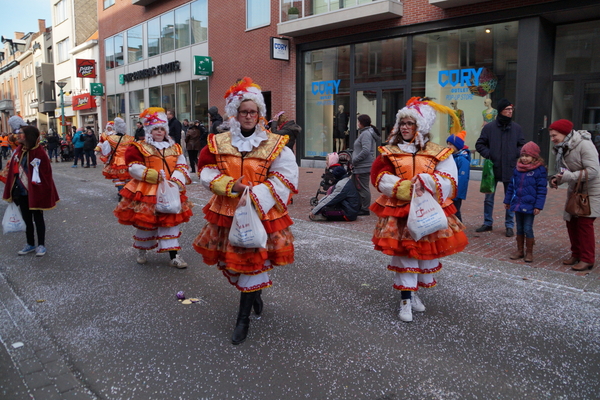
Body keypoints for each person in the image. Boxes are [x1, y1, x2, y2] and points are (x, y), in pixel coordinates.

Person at [193, 77, 298, 345]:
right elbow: (205, 170)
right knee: (235, 266)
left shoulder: (275, 144)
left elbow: (286, 177)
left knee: (252, 265)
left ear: (260, 114)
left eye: (253, 111)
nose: (249, 116)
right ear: (236, 114)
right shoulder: (218, 142)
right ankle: (255, 293)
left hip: (261, 213)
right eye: (244, 111)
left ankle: (243, 319)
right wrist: (230, 186)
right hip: (227, 212)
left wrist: (256, 194)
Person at [370, 97, 468, 323]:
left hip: (427, 210)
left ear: (420, 126)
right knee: (405, 254)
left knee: (421, 254)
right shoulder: (390, 150)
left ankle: (412, 294)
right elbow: (378, 176)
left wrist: (426, 181)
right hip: (399, 211)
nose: (405, 127)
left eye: (410, 123)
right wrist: (400, 187)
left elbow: (450, 180)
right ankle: (405, 299)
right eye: (402, 123)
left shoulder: (438, 152)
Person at [114, 107, 193, 268]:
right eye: (155, 128)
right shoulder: (139, 147)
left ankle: (174, 255)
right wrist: (152, 175)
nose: (159, 131)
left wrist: (178, 178)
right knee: (146, 222)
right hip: (148, 190)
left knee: (170, 220)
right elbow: (134, 167)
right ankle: (142, 251)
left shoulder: (175, 147)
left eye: (161, 128)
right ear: (149, 130)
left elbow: (182, 164)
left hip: (171, 188)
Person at [2, 116, 59, 257]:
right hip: (21, 192)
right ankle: (30, 243)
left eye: (21, 133)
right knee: (27, 219)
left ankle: (41, 244)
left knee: (38, 219)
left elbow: (46, 174)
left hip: (35, 191)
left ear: (28, 136)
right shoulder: (18, 151)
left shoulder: (39, 152)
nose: (17, 136)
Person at [548, 119, 600, 271]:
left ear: (564, 133)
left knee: (584, 225)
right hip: (575, 190)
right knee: (571, 222)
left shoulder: (584, 145)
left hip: (590, 191)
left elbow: (594, 171)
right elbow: (565, 170)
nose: (552, 139)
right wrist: (557, 179)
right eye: (551, 136)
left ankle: (587, 259)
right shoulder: (562, 148)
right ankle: (576, 254)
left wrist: (568, 177)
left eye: (554, 135)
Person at [475, 98, 525, 237]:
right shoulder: (489, 128)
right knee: (488, 198)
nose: (510, 112)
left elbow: (522, 145)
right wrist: (489, 154)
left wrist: (515, 154)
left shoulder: (516, 128)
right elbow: (480, 144)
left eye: (511, 110)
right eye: (507, 110)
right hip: (492, 168)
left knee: (510, 198)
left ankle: (509, 225)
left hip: (510, 167)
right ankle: (487, 222)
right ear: (501, 111)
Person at [503, 141, 547, 263]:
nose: (524, 158)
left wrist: (538, 205)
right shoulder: (517, 169)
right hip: (517, 203)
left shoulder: (539, 171)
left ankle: (529, 252)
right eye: (522, 155)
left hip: (530, 205)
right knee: (520, 228)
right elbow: (511, 187)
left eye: (527, 156)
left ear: (534, 157)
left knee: (528, 228)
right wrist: (508, 201)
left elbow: (542, 190)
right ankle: (520, 250)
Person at [352, 114, 380, 216]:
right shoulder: (365, 133)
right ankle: (361, 206)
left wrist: (354, 160)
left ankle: (365, 208)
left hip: (363, 165)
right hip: (362, 165)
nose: (357, 123)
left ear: (361, 123)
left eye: (358, 121)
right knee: (359, 186)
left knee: (363, 187)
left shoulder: (366, 134)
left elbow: (366, 150)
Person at [99, 117, 134, 198]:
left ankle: (121, 192)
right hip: (128, 161)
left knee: (119, 179)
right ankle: (126, 192)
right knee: (128, 178)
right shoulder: (131, 138)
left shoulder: (110, 139)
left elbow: (106, 151)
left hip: (116, 162)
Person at [446, 130, 470, 222]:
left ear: (457, 146)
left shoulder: (462, 160)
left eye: (451, 144)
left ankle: (460, 230)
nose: (448, 146)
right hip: (450, 190)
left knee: (455, 212)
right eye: (448, 144)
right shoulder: (451, 157)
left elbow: (462, 179)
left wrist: (457, 193)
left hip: (456, 192)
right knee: (452, 211)